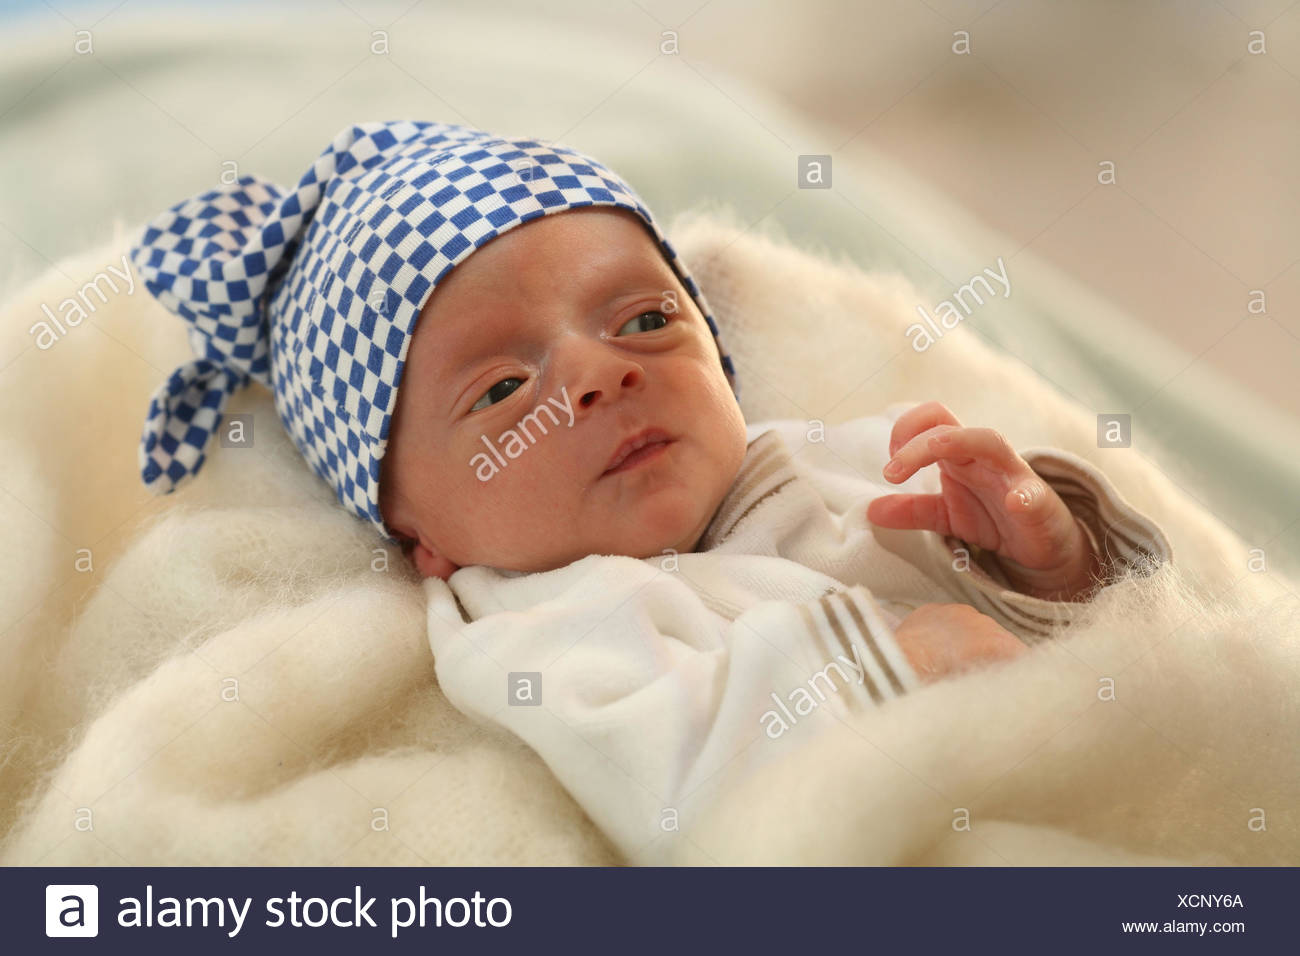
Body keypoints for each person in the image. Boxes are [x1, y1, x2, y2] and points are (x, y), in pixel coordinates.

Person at [130, 119, 1173, 864]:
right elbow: (675, 795)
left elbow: (1107, 622)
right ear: (419, 535)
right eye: (501, 387)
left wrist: (1047, 549)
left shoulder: (830, 457)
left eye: (641, 321)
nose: (595, 374)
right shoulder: (535, 627)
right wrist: (895, 668)